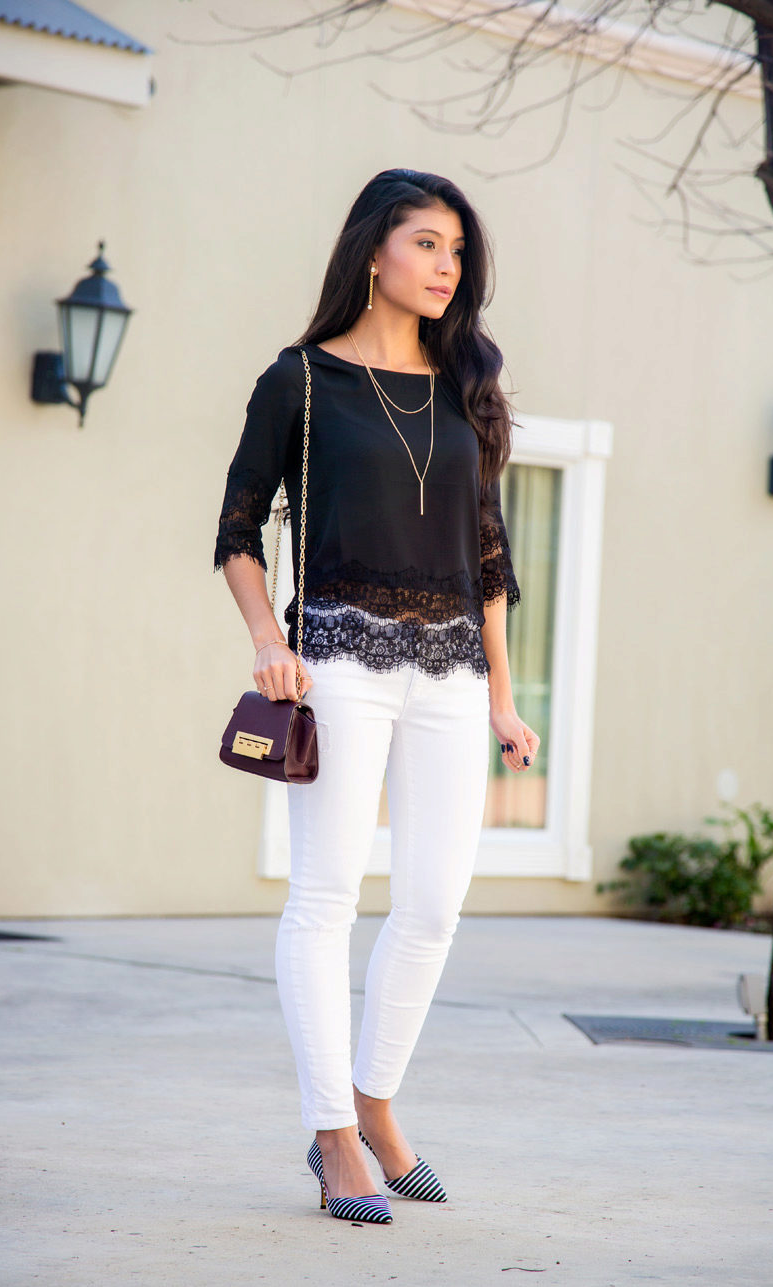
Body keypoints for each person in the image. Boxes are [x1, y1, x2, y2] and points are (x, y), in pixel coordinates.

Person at [214, 168, 540, 1226]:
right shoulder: (301, 381)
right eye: (427, 243)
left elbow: (487, 553)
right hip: (341, 660)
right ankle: (333, 1135)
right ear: (373, 251)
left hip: (450, 672)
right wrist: (269, 642)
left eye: (458, 251)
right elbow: (237, 530)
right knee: (326, 898)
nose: (447, 267)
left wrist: (502, 696)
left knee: (434, 905)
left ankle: (375, 1100)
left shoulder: (464, 385)